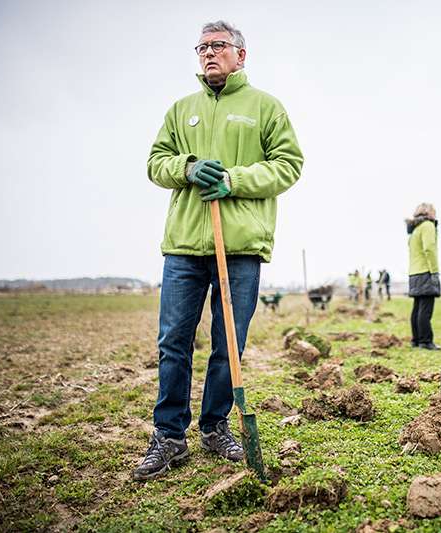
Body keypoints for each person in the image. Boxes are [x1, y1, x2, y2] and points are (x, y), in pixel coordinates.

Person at [135, 20, 303, 481]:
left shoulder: (265, 107)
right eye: (202, 47)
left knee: (230, 343)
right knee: (173, 342)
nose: (209, 53)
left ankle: (215, 426)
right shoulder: (180, 110)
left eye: (218, 46)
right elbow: (155, 163)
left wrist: (233, 180)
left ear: (240, 54)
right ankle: (168, 435)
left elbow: (288, 166)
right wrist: (187, 168)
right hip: (185, 245)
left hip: (240, 246)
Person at [407, 203, 441, 350]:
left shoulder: (414, 229)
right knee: (425, 309)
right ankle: (425, 341)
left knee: (418, 307)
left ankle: (416, 339)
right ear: (429, 212)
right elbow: (429, 249)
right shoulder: (427, 225)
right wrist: (434, 271)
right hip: (425, 270)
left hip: (413, 272)